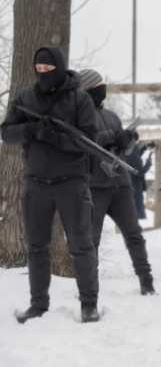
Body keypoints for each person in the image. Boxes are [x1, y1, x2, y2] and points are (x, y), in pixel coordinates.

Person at [1, 47, 100, 323]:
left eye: (48, 69)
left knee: (81, 245)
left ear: (59, 67)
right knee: (36, 246)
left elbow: (89, 141)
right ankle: (38, 304)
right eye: (39, 69)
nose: (43, 74)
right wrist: (31, 130)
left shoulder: (79, 99)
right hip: (36, 183)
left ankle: (89, 304)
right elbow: (6, 133)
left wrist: (56, 138)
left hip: (72, 183)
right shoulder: (25, 97)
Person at [78, 69, 155, 296]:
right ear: (88, 88)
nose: (103, 88)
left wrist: (128, 139)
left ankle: (146, 280)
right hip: (94, 187)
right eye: (99, 84)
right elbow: (83, 143)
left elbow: (124, 148)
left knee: (134, 234)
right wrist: (111, 138)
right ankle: (89, 288)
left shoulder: (111, 115)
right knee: (92, 240)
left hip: (120, 185)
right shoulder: (78, 116)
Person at [126, 142, 154, 220]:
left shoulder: (130, 153)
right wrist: (148, 164)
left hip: (131, 183)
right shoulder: (134, 156)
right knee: (136, 207)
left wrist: (145, 147)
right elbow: (140, 172)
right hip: (135, 185)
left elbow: (138, 153)